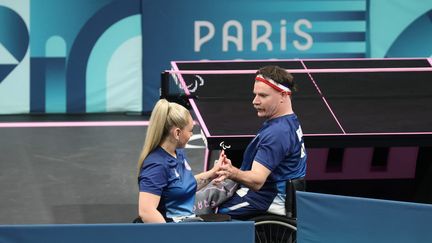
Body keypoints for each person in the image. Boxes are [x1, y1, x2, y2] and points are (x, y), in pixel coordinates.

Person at [214, 65, 307, 218]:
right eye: (255, 94)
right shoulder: (289, 120)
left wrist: (232, 172)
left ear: (283, 95)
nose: (255, 101)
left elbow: (257, 181)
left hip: (266, 200)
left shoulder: (277, 133)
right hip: (277, 194)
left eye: (263, 95)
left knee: (215, 214)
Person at [137, 99, 224, 223]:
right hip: (172, 229)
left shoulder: (177, 153)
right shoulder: (156, 166)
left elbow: (182, 186)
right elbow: (146, 211)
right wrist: (173, 236)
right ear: (177, 133)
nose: (191, 135)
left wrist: (213, 173)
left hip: (186, 223)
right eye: (190, 130)